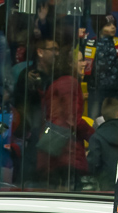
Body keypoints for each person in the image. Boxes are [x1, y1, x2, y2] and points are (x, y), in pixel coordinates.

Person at [38, 45, 94, 188]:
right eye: (80, 60)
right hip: (67, 151)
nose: (84, 63)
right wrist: (95, 136)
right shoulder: (70, 83)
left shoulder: (58, 83)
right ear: (70, 63)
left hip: (58, 150)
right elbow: (73, 119)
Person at [11, 35, 58, 183]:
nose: (56, 53)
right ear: (40, 52)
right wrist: (28, 84)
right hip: (31, 130)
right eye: (53, 49)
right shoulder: (27, 75)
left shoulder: (57, 75)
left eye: (57, 50)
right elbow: (19, 102)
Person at [86, 15, 118, 119]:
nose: (113, 27)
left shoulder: (117, 42)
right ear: (100, 27)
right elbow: (88, 65)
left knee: (114, 115)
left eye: (114, 24)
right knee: (95, 115)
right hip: (97, 89)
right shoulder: (92, 43)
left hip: (115, 88)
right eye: (108, 25)